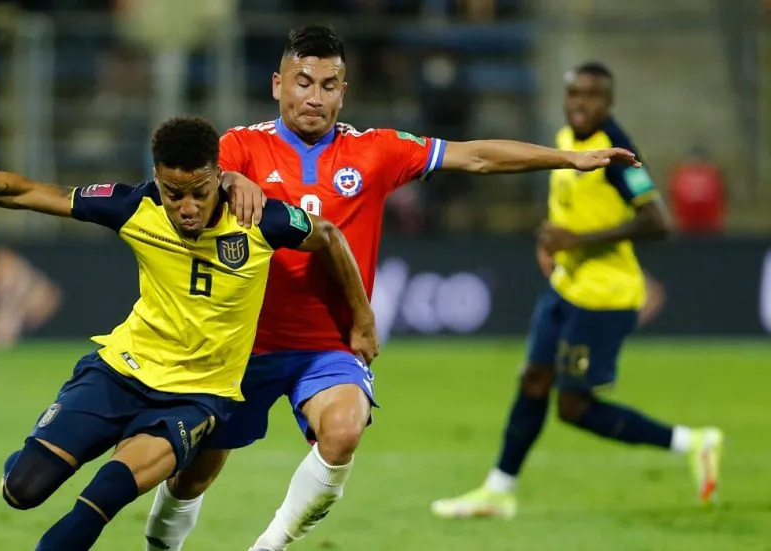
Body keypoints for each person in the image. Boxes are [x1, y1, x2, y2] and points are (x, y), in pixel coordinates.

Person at [144, 27, 644, 551]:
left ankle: (268, 546)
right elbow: (194, 182)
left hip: (329, 345)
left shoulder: (376, 151)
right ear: (277, 85)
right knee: (193, 477)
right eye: (303, 82)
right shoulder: (241, 146)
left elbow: (474, 156)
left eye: (329, 85)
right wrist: (228, 181)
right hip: (242, 343)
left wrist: (568, 159)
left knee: (343, 431)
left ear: (345, 90)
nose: (315, 98)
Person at [0, 115, 376, 550]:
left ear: (219, 176)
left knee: (99, 502)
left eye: (198, 192)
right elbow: (23, 192)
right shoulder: (133, 206)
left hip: (197, 400)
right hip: (120, 373)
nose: (186, 208)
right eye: (174, 194)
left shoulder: (261, 220)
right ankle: (43, 449)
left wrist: (361, 317)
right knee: (22, 490)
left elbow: (328, 236)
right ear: (156, 178)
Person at [430, 61, 724, 520]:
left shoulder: (615, 152)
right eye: (573, 94)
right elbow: (569, 208)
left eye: (591, 95)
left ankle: (693, 442)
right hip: (567, 286)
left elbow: (657, 220)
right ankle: (498, 490)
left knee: (573, 406)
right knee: (532, 379)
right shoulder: (567, 142)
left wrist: (578, 242)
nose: (580, 103)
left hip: (605, 296)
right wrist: (552, 239)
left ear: (608, 103)